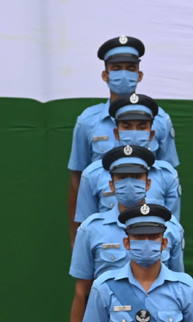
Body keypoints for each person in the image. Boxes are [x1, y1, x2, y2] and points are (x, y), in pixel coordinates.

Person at [67, 150, 184, 322]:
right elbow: (81, 291)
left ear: (148, 183)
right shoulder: (91, 229)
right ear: (112, 185)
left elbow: (178, 287)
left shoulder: (171, 228)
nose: (130, 183)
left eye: (137, 177)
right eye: (122, 177)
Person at [67, 37, 178, 235]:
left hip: (151, 227)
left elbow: (168, 173)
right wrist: (77, 235)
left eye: (130, 68)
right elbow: (77, 179)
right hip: (105, 229)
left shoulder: (160, 120)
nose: (124, 74)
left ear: (139, 74)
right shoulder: (87, 121)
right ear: (105, 74)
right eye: (117, 68)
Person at [74, 94, 181, 232]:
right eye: (127, 126)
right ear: (116, 133)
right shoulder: (93, 174)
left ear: (151, 134)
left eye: (142, 127)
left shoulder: (167, 175)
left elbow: (172, 231)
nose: (134, 133)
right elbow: (86, 230)